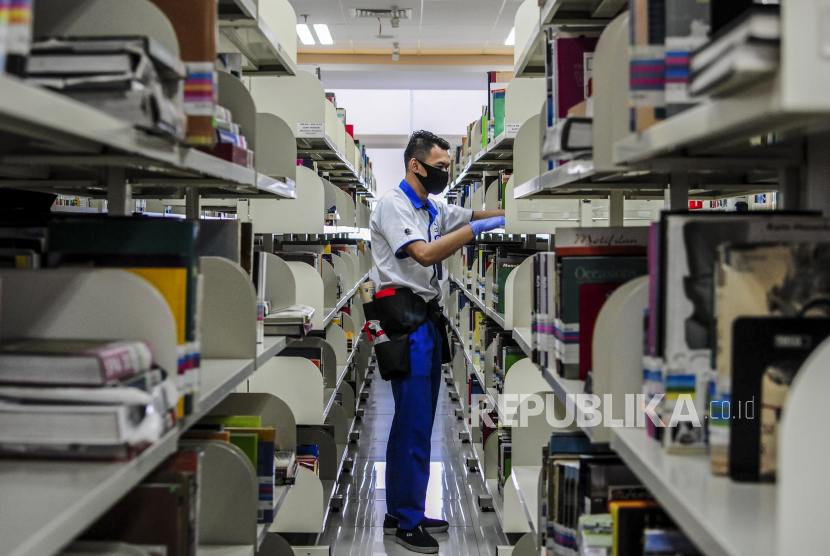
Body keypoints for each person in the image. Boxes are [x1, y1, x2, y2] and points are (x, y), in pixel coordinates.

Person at [369, 130, 505, 553]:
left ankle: (400, 510)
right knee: (412, 423)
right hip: (405, 320)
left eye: (447, 167)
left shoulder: (430, 204)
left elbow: (472, 213)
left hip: (424, 318)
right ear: (416, 165)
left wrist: (517, 209)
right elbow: (425, 254)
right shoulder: (394, 205)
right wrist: (476, 231)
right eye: (441, 167)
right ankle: (409, 523)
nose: (445, 173)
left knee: (415, 421)